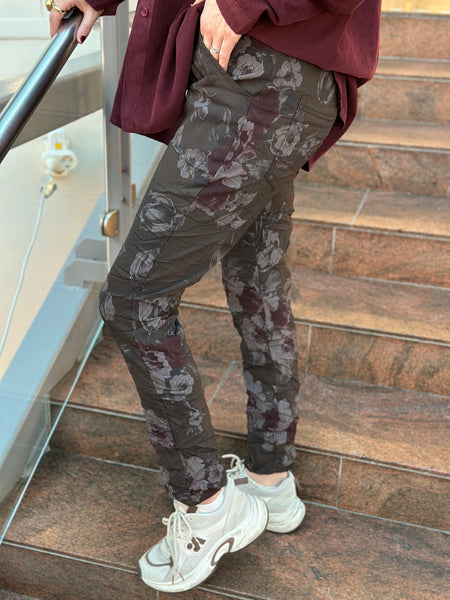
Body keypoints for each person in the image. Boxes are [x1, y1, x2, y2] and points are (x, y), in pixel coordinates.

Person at [49, 0, 381, 594]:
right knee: (259, 285)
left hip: (260, 77)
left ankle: (207, 507)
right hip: (282, 78)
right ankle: (271, 480)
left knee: (134, 301)